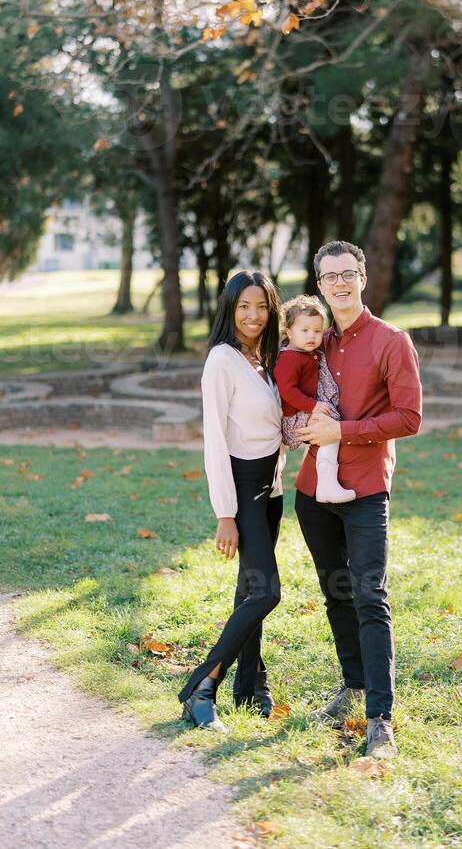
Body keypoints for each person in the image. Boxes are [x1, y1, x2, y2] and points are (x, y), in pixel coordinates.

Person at [294, 240, 422, 759]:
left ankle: (380, 719)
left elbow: (409, 418)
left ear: (363, 277)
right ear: (320, 284)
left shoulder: (392, 341)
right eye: (329, 277)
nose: (340, 284)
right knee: (336, 591)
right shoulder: (312, 340)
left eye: (348, 274)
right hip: (311, 492)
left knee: (371, 596)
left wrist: (342, 432)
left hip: (366, 488)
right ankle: (352, 684)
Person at [178, 270, 285, 731]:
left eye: (262, 306)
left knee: (249, 589)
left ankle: (250, 684)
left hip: (272, 489)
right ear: (229, 309)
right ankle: (202, 687)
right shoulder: (222, 360)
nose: (253, 315)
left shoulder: (264, 359)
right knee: (267, 591)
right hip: (241, 490)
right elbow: (215, 442)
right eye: (244, 306)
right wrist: (226, 512)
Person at [274, 294, 355, 504]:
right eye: (305, 331)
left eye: (318, 331)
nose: (312, 336)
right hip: (293, 418)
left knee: (331, 429)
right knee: (330, 430)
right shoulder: (289, 358)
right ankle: (327, 486)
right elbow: (287, 390)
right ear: (288, 332)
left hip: (303, 412)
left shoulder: (307, 353)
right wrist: (314, 405)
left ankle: (326, 482)